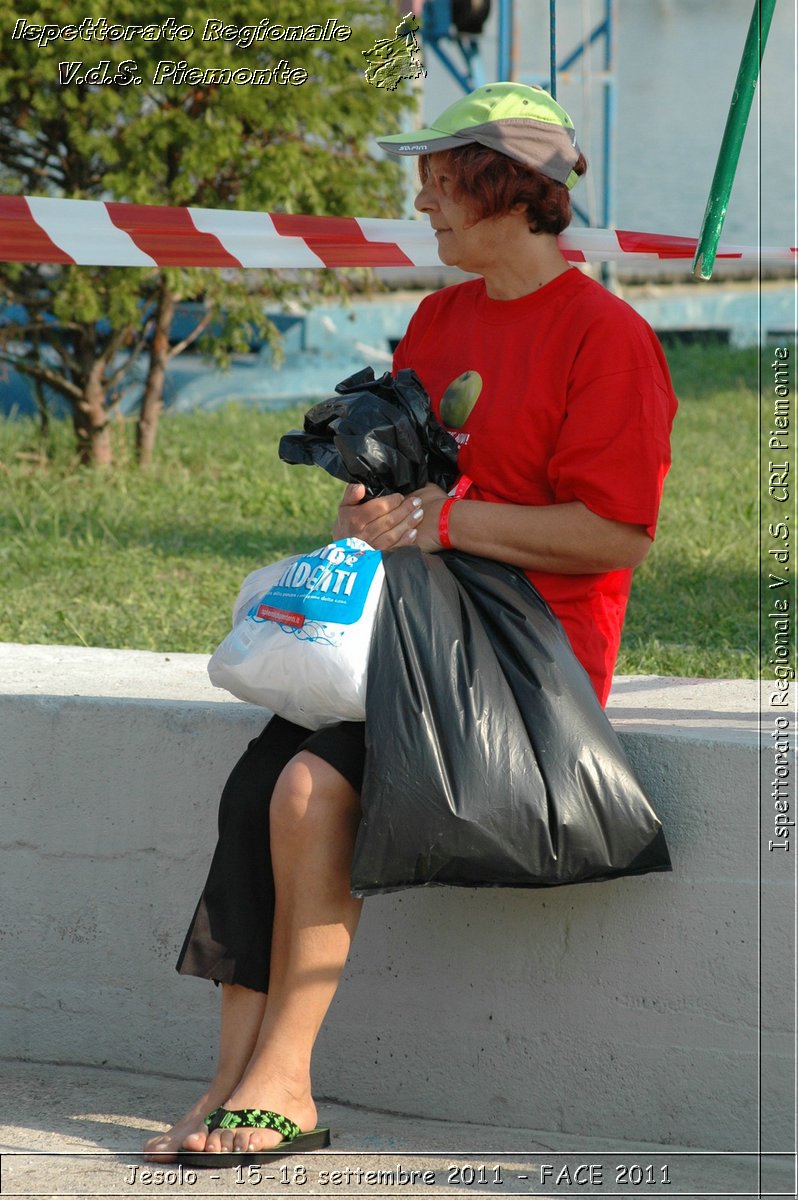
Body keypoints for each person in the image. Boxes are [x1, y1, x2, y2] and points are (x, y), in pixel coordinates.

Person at [144, 82, 677, 1162]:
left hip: (528, 660)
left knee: (307, 784)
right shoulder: (439, 318)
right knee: (259, 781)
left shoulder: (607, 338)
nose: (422, 202)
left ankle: (284, 1083)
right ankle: (230, 1079)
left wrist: (446, 524)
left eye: (438, 181)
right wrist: (373, 501)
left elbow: (616, 536)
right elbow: (420, 482)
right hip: (418, 623)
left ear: (500, 187)